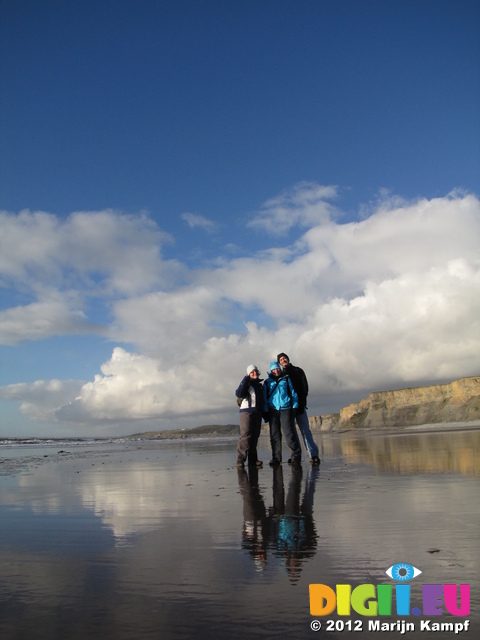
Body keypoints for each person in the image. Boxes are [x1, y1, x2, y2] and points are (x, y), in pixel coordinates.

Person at [277, 352, 320, 465]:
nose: (283, 360)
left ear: (288, 359)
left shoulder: (298, 371)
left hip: (300, 406)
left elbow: (305, 387)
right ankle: (296, 456)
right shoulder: (280, 375)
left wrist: (302, 403)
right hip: (288, 409)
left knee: (305, 431)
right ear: (279, 363)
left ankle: (313, 454)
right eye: (281, 360)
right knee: (292, 434)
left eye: (284, 358)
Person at [263, 361, 302, 467]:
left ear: (280, 369)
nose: (276, 371)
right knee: (274, 435)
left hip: (286, 409)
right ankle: (276, 458)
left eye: (277, 369)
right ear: (271, 370)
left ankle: (295, 456)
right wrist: (265, 411)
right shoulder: (267, 382)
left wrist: (295, 406)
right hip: (273, 410)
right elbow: (264, 398)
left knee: (289, 433)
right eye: (273, 369)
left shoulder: (286, 379)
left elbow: (293, 393)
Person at [235, 365, 265, 468]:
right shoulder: (246, 383)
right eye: (252, 372)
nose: (254, 374)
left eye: (255, 371)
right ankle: (240, 459)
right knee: (246, 435)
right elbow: (238, 393)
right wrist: (246, 378)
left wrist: (264, 413)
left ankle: (253, 459)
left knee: (255, 435)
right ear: (248, 374)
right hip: (246, 412)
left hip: (257, 413)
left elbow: (262, 401)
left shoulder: (260, 386)